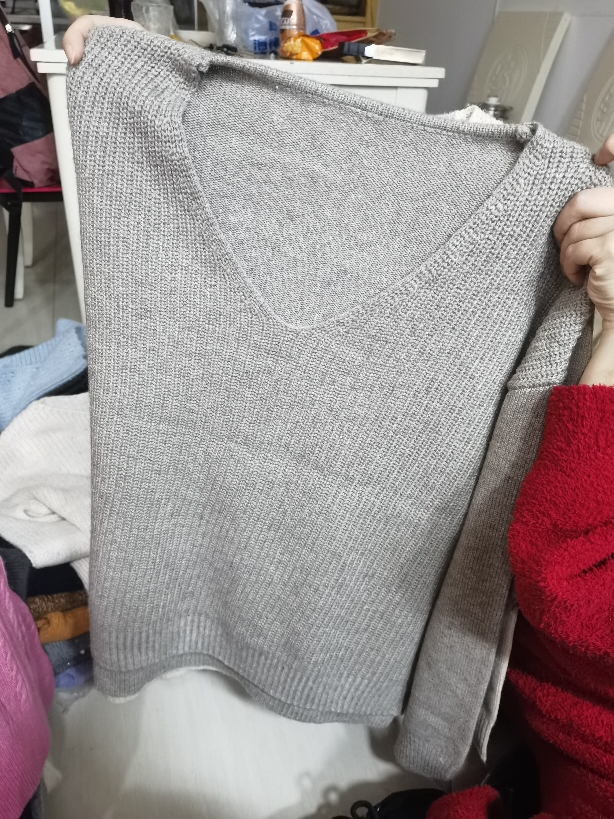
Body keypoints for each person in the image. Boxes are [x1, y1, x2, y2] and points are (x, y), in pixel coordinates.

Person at [62, 17, 614, 818]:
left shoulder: (561, 244)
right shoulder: (578, 240)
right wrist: (134, 74)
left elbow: (529, 562)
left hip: (391, 726)